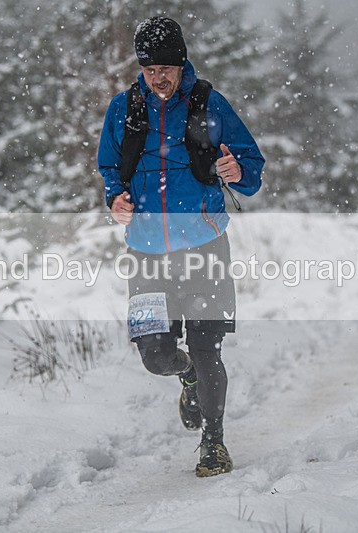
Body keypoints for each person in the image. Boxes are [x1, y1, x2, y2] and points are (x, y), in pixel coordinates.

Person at [97, 16, 264, 477]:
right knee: (155, 356)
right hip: (146, 253)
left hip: (205, 247)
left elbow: (251, 166)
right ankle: (184, 373)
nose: (159, 78)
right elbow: (109, 167)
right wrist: (116, 198)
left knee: (208, 348)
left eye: (166, 69)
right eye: (150, 70)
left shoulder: (209, 104)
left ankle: (214, 443)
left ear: (182, 63)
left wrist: (238, 172)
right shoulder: (123, 109)